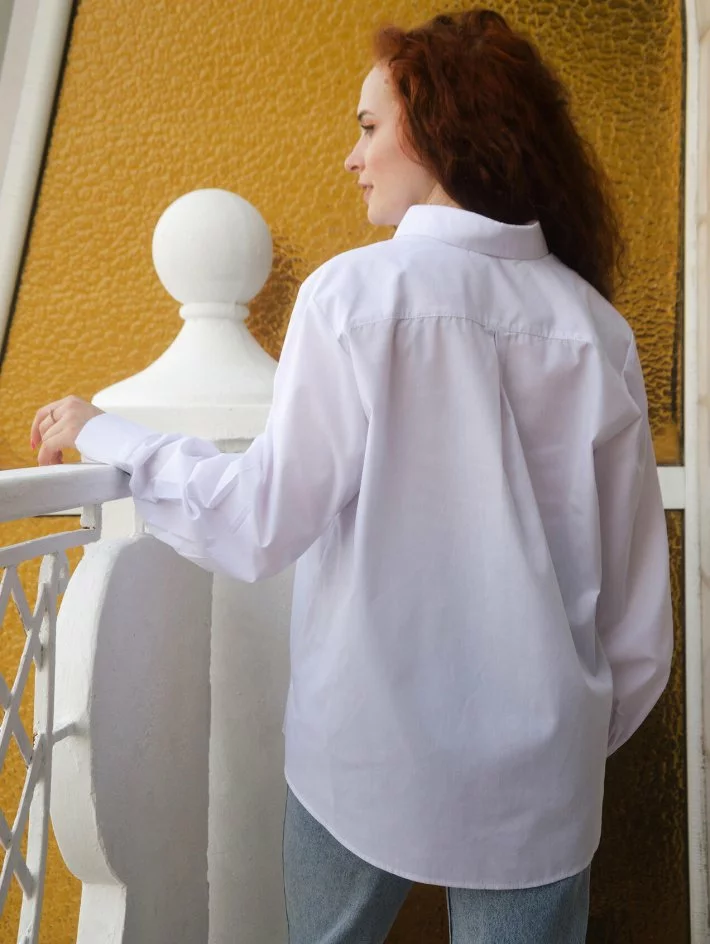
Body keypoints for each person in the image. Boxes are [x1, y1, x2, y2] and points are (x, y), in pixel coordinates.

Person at [31, 9, 672, 943]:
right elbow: (638, 624)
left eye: (370, 127)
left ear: (443, 129)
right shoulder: (595, 330)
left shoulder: (354, 295)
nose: (352, 156)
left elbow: (257, 520)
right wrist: (565, 741)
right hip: (540, 773)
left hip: (362, 749)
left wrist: (111, 434)